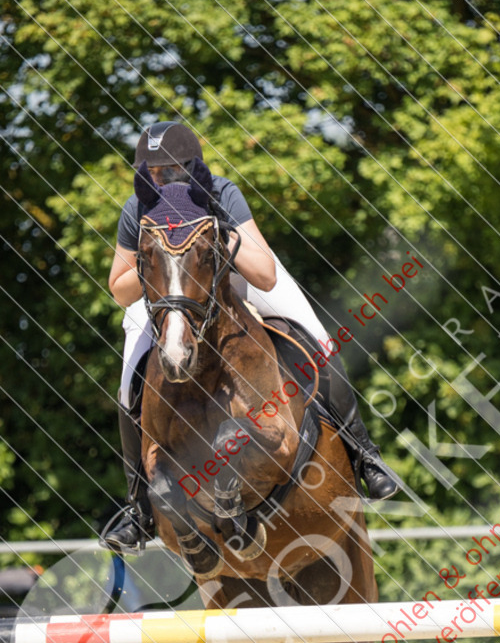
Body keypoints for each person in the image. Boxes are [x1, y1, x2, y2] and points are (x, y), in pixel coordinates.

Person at [102, 121, 398, 552]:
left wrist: (212, 241)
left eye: (172, 170)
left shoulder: (221, 193)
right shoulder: (138, 209)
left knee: (317, 338)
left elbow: (264, 273)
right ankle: (139, 508)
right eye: (156, 172)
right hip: (170, 293)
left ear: (192, 167)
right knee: (128, 380)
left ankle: (364, 453)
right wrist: (159, 257)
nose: (164, 180)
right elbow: (119, 288)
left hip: (231, 278)